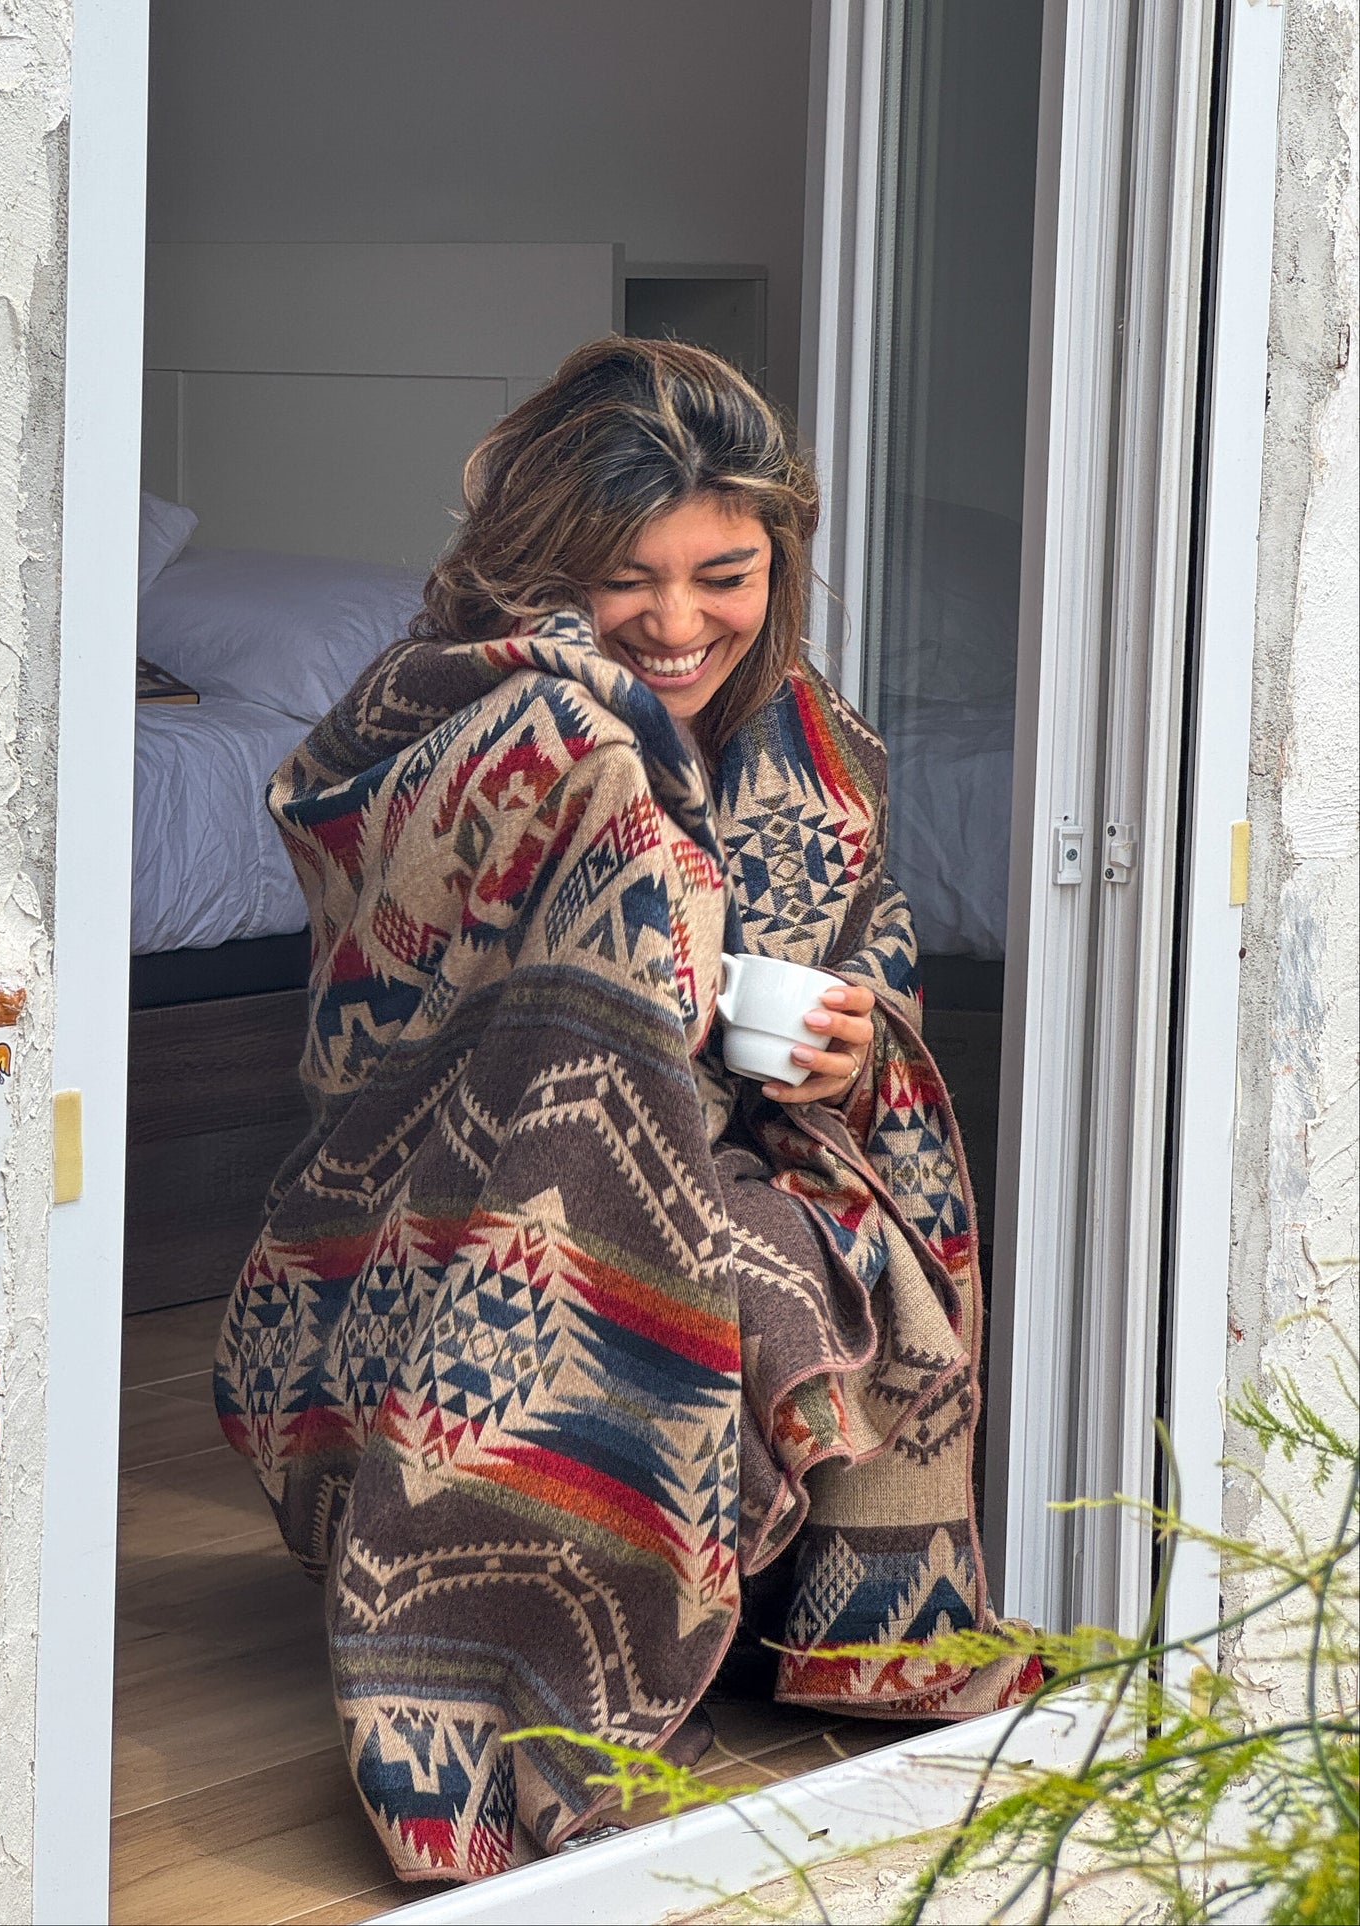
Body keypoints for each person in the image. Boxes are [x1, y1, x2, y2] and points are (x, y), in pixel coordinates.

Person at [214, 338, 1039, 1885]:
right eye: (622, 580)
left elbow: (876, 961)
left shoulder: (813, 739)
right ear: (538, 569)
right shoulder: (471, 713)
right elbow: (397, 996)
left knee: (774, 1241)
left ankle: (726, 1607)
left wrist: (854, 1055)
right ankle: (502, 1675)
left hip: (720, 1146)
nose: (675, 624)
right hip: (462, 1175)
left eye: (720, 574)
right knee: (701, 1271)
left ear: (775, 557)